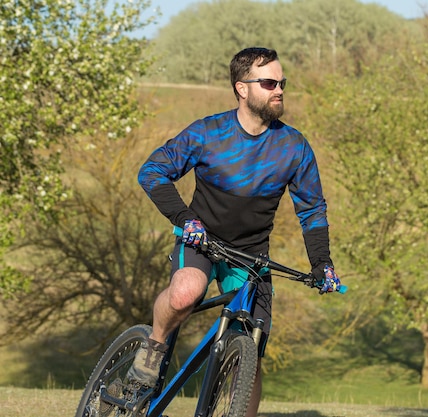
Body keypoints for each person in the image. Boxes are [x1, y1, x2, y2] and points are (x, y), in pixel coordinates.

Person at [128, 47, 339, 416]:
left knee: (249, 350)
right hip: (201, 240)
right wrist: (184, 219)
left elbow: (312, 210)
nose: (279, 90)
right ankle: (154, 344)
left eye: (282, 83)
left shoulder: (294, 147)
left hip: (251, 253)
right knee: (185, 294)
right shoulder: (209, 133)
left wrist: (322, 264)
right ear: (242, 88)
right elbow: (152, 172)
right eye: (270, 83)